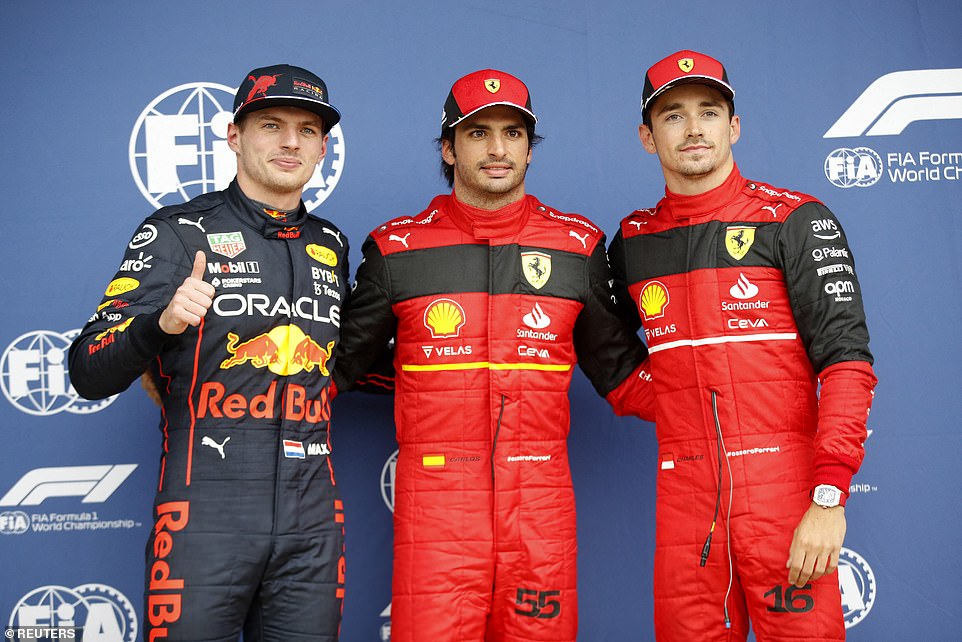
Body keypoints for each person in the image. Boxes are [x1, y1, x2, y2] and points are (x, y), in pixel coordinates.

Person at [333, 69, 653, 642]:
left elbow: (621, 374)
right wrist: (192, 369)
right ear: (448, 149)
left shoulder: (577, 247)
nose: (498, 148)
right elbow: (336, 368)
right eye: (478, 133)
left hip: (541, 506)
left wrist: (740, 398)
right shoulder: (396, 250)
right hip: (436, 512)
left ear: (531, 147)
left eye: (513, 132)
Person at [68, 64, 349, 642]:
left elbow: (347, 364)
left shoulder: (332, 243)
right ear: (234, 136)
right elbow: (87, 370)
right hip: (206, 513)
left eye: (307, 129)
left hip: (314, 516)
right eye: (271, 124)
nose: (290, 141)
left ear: (323, 147)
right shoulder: (177, 232)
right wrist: (162, 324)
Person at [608, 50, 878, 641]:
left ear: (734, 127)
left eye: (709, 111)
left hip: (786, 495)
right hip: (686, 500)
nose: (694, 128)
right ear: (648, 137)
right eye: (673, 115)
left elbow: (847, 364)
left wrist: (829, 498)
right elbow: (608, 350)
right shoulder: (633, 242)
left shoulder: (796, 220)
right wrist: (673, 401)